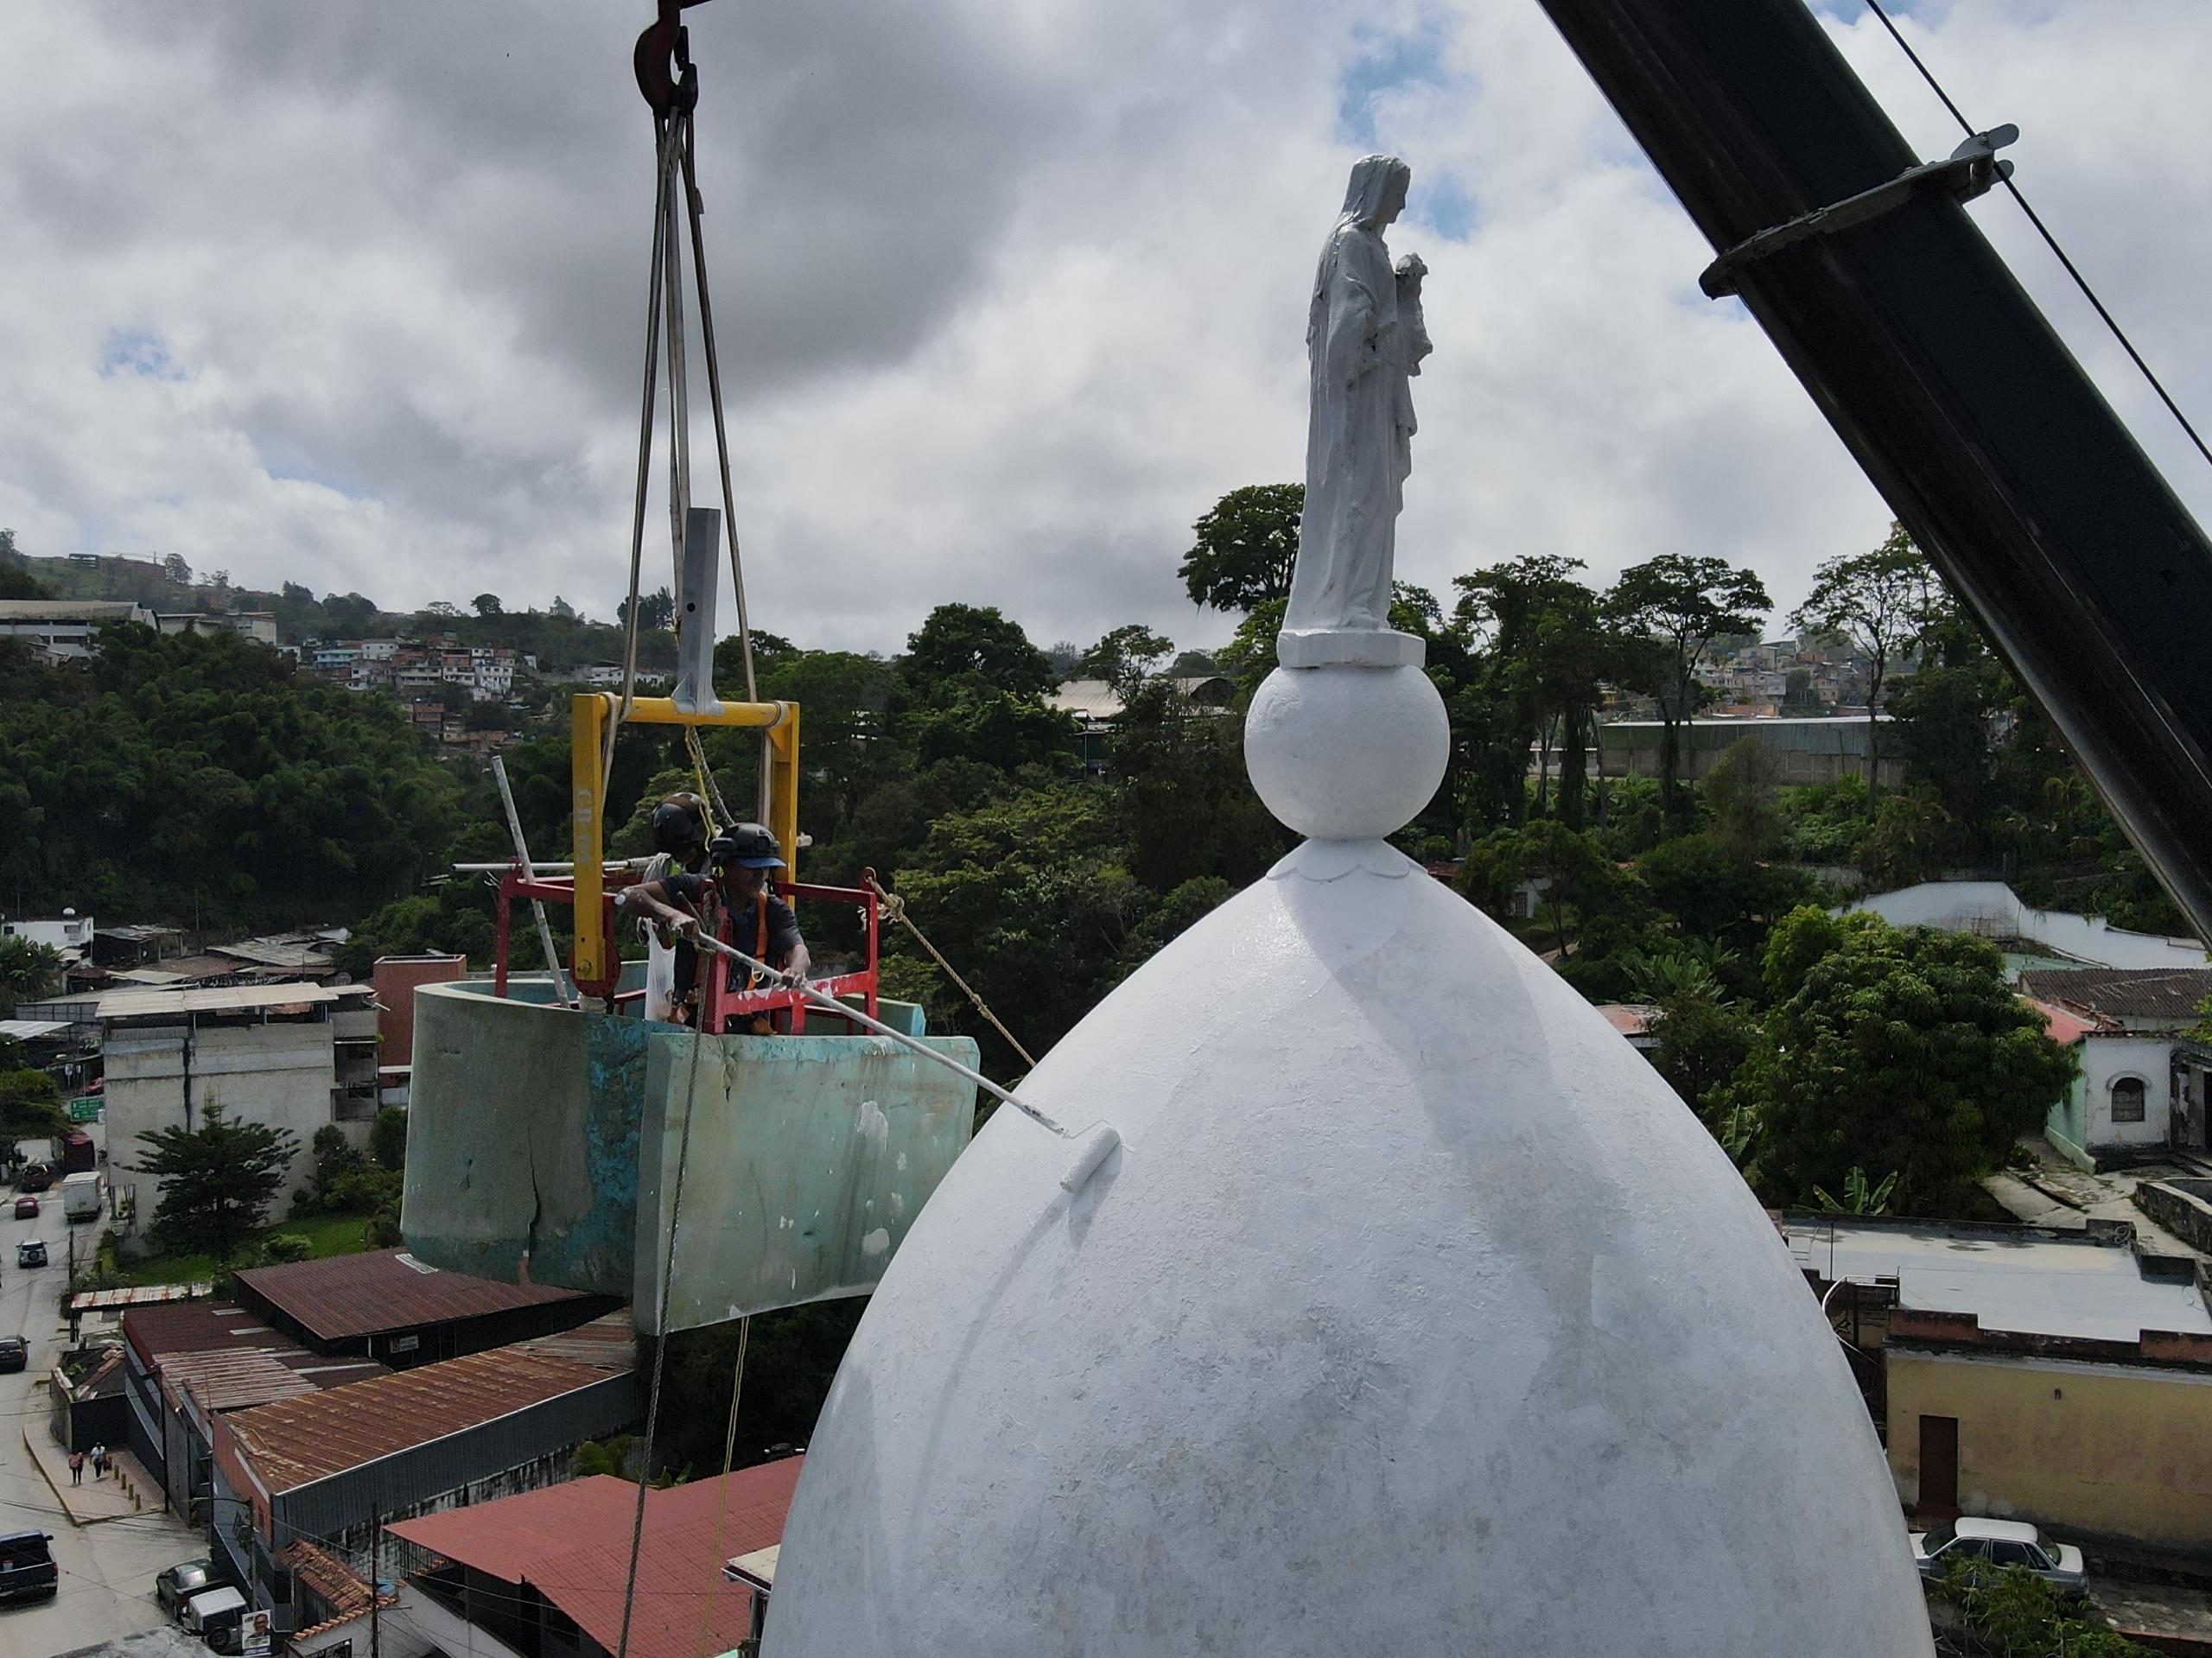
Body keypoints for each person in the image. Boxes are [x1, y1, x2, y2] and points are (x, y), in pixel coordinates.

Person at [619, 823, 810, 1032]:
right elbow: (627, 896)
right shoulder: (695, 890)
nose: (760, 876)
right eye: (751, 867)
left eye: (765, 868)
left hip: (749, 1031)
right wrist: (672, 915)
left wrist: (796, 969)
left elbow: (797, 950)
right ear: (726, 864)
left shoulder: (773, 910)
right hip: (691, 1025)